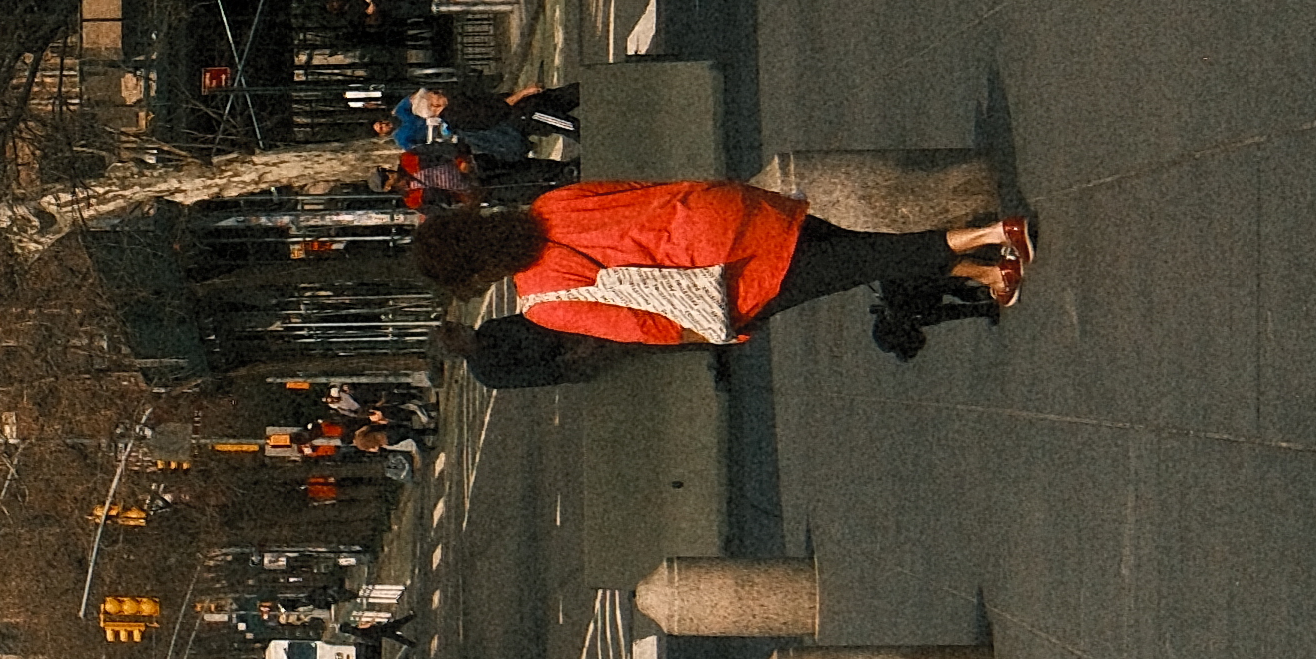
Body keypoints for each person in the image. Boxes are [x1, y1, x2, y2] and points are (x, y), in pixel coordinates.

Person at [431, 177, 1020, 373]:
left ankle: (993, 234)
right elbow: (645, 189)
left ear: (477, 271)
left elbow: (646, 328)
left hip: (730, 277)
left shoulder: (542, 300)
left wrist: (717, 333)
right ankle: (987, 275)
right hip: (730, 211)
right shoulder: (553, 202)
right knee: (863, 249)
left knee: (862, 263)